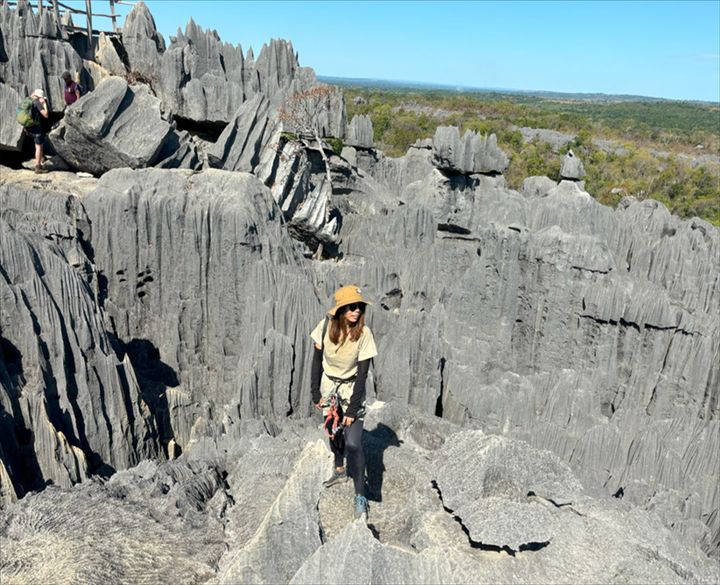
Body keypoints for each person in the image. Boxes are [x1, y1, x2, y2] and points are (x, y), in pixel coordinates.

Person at [310, 285, 377, 520]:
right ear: (340, 309)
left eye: (359, 307)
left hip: (351, 389)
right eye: (351, 307)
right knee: (333, 432)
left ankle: (360, 495)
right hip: (329, 386)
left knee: (353, 443)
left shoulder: (364, 334)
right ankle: (339, 469)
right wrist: (315, 393)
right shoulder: (325, 327)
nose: (356, 310)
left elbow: (362, 374)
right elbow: (316, 361)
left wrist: (351, 409)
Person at [25, 89, 49, 174]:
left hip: (27, 127)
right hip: (35, 128)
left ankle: (42, 157)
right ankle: (38, 167)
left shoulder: (27, 100)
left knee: (38, 145)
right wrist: (44, 104)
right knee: (38, 146)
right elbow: (46, 115)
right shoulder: (37, 103)